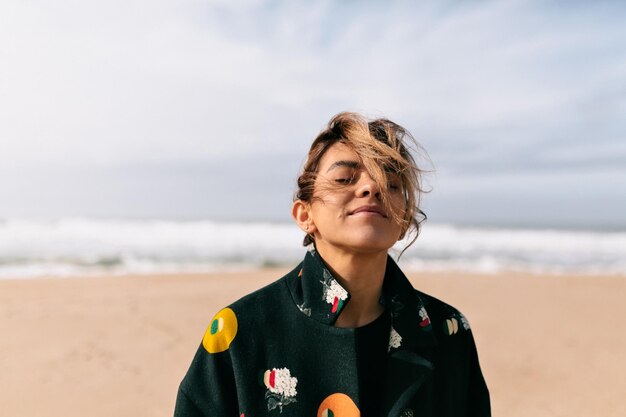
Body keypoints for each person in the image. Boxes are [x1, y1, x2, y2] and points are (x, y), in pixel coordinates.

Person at [174, 112, 491, 417]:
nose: (371, 187)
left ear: (405, 219)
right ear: (304, 214)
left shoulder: (448, 331)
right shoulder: (239, 332)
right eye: (344, 178)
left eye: (392, 183)